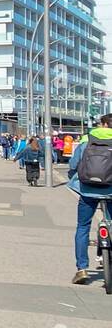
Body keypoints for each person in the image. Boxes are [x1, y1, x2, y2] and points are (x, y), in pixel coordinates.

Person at [67, 114, 112, 284]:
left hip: (87, 190)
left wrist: (73, 177)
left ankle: (82, 269)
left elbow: (73, 164)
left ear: (104, 124)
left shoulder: (87, 138)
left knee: (83, 226)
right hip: (111, 191)